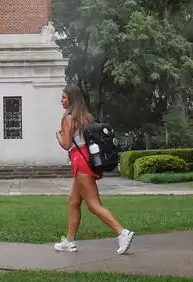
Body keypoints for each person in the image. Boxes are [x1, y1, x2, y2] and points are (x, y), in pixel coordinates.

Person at [53, 86, 134, 254]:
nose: (61, 101)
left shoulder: (68, 118)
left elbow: (67, 145)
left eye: (64, 98)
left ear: (72, 99)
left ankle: (121, 232)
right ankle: (69, 241)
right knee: (74, 202)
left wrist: (59, 135)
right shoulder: (86, 118)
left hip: (80, 162)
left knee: (93, 205)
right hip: (87, 161)